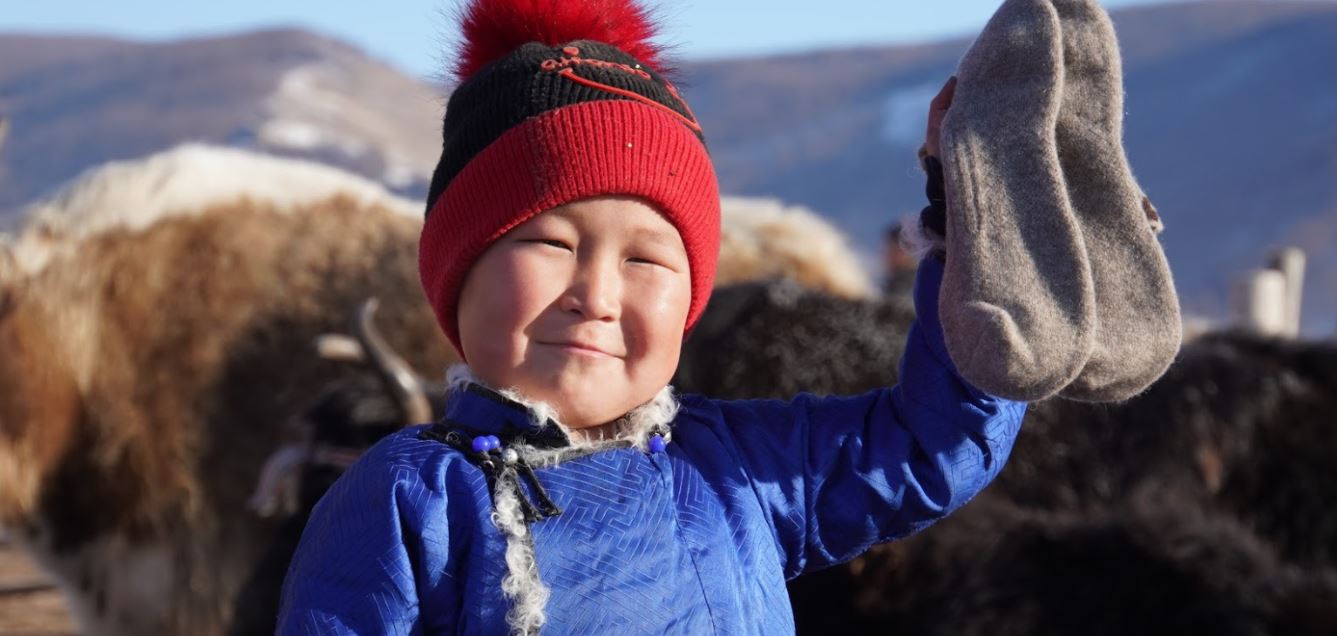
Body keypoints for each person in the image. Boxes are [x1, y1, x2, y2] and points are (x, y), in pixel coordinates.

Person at [275, 1, 1024, 633]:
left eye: (645, 261)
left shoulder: (739, 472)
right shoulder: (411, 498)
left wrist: (971, 231)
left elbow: (933, 444)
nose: (595, 295)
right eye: (549, 242)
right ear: (458, 271)